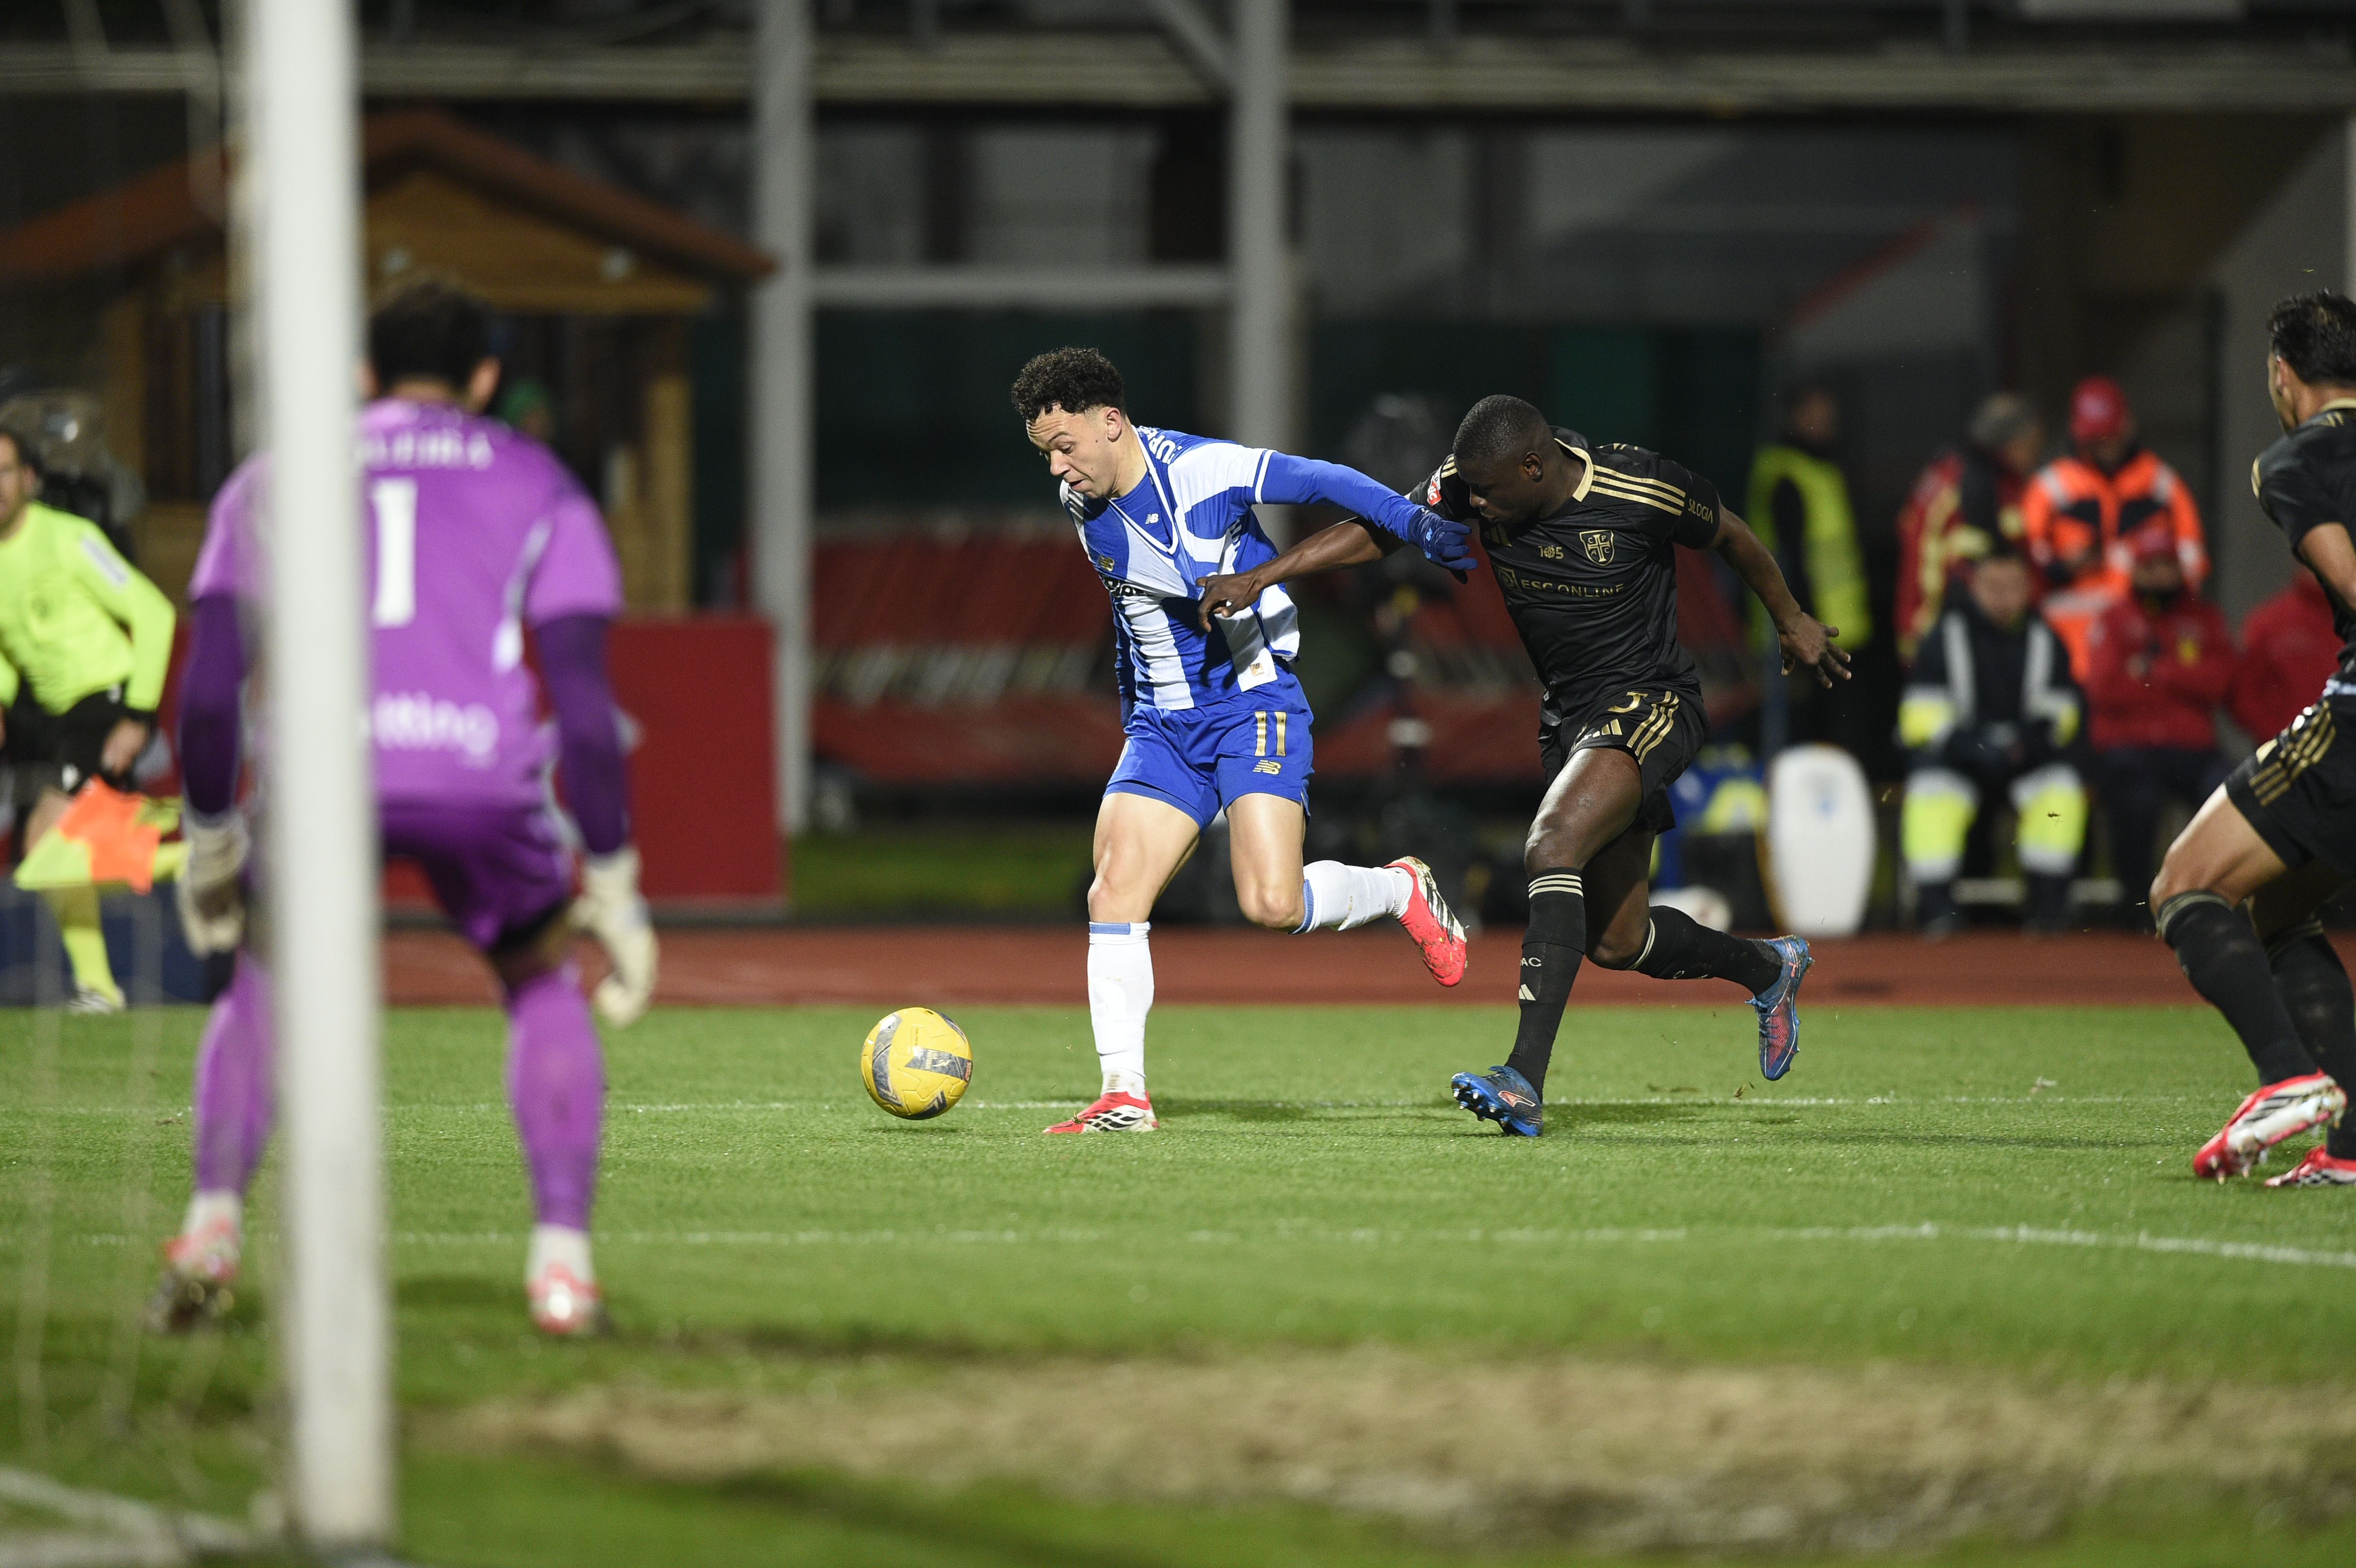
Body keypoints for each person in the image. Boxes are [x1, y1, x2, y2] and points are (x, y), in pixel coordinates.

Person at [152, 275, 658, 1335]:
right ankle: (561, 1272)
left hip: (324, 774)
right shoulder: (542, 481)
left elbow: (208, 686)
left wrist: (209, 835)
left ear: (363, 373)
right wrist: (611, 877)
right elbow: (584, 698)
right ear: (483, 379)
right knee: (536, 977)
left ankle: (208, 1229)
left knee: (267, 977)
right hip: (477, 770)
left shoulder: (271, 478)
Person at [1200, 395, 1841, 1136]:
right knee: (1618, 940)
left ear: (1534, 466)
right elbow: (1383, 532)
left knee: (1551, 845)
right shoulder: (1474, 480)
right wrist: (1263, 576)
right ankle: (1770, 970)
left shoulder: (1639, 488)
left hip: (1651, 701)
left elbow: (1730, 534)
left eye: (1486, 493)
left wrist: (1791, 618)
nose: (1470, 505)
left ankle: (1523, 1081)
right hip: (1570, 719)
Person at [1011, 347, 1475, 1135]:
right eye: (1045, 454)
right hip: (1163, 728)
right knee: (1113, 889)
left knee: (1270, 902)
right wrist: (1138, 717)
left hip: (1250, 703)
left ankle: (1399, 888)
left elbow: (1324, 478)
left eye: (1064, 447)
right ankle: (1124, 1095)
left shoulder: (1202, 470)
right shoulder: (1083, 505)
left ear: (1111, 424)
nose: (1058, 470)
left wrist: (1415, 525)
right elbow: (1136, 620)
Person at [2149, 290, 2356, 1188]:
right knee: (2278, 907)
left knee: (2182, 884)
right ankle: (2347, 1153)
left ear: (2281, 374)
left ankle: (2283, 1078)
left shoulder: (2290, 462)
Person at [0, 415, 176, 1012]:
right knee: (55, 855)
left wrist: (138, 714)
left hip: (105, 703)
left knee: (45, 845)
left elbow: (154, 613)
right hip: (56, 720)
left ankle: (206, 856)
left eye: (3, 471)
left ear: (28, 479)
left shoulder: (69, 539)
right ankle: (99, 985)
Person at [1898, 547, 2087, 936]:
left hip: (2027, 759)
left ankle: (2048, 911)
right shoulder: (1942, 637)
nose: (2003, 598)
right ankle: (1936, 912)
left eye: (2012, 587)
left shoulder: (2047, 638)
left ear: (2028, 589)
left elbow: (2064, 713)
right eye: (1992, 587)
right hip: (1959, 758)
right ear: (1973, 587)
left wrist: (2024, 747)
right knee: (1930, 791)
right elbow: (1919, 715)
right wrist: (1975, 749)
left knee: (2061, 790)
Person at [2082, 526, 2235, 925]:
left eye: (2167, 566)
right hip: (2130, 748)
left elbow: (2219, 683)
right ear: (2136, 570)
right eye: (2150, 567)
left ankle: (2213, 897)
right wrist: (2183, 678)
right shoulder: (2115, 619)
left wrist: (2156, 671)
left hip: (2191, 749)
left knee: (2229, 793)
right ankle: (2136, 901)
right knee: (2136, 800)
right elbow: (2104, 689)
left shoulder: (2204, 619)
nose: (2159, 575)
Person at [2021, 376, 2209, 679]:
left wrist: (2162, 578)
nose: (2105, 446)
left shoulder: (2160, 485)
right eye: (2096, 437)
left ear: (2128, 426)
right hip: (2065, 654)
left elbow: (2192, 561)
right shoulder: (2050, 488)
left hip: (2144, 650)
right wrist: (2065, 568)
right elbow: (2027, 566)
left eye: (2111, 434)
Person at [1894, 393, 2044, 665]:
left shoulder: (1971, 476)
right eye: (2031, 445)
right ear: (2010, 444)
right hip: (1951, 637)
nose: (2035, 455)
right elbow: (1925, 564)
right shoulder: (1968, 486)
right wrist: (1918, 639)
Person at [2230, 568, 2340, 746]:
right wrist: (2280, 738)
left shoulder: (2348, 618)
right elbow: (2244, 692)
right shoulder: (2269, 623)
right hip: (2286, 756)